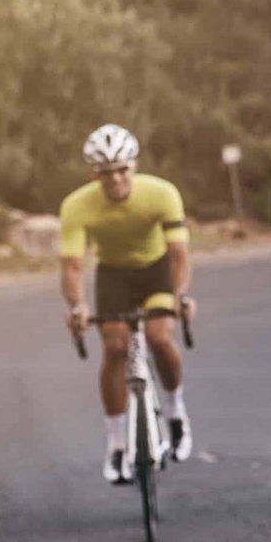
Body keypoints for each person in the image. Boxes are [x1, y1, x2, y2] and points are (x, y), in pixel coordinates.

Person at [60, 123, 197, 484]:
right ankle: (118, 445)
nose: (116, 179)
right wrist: (77, 306)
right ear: (95, 173)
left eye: (122, 169)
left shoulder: (161, 193)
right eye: (106, 173)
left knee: (158, 336)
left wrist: (180, 297)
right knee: (115, 347)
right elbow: (72, 266)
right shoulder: (77, 205)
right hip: (113, 275)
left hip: (156, 271)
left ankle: (175, 412)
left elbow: (179, 254)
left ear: (133, 166)